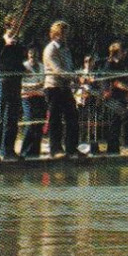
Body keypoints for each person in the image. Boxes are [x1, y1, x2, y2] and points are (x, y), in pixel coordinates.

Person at [0, 21, 27, 161]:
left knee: (12, 117)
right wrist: (6, 45)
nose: (16, 29)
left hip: (15, 81)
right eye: (13, 26)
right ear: (7, 26)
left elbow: (20, 61)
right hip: (2, 80)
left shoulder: (18, 44)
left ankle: (7, 151)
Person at [42, 20, 78, 158]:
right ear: (56, 34)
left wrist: (77, 78)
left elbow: (69, 68)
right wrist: (75, 77)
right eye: (62, 33)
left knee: (72, 116)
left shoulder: (66, 49)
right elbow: (57, 70)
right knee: (55, 119)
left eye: (65, 33)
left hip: (65, 87)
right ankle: (55, 149)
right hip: (53, 87)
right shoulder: (50, 49)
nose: (65, 36)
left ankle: (71, 148)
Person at [101, 41, 128, 155]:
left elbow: (124, 82)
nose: (124, 53)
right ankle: (127, 145)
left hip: (119, 97)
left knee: (115, 122)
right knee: (126, 114)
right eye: (122, 51)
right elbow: (116, 83)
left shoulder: (121, 64)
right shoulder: (110, 64)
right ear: (116, 52)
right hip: (110, 97)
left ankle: (112, 150)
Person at [20, 46, 46, 158]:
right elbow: (21, 84)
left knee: (39, 124)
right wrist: (34, 86)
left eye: (35, 55)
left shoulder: (42, 67)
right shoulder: (24, 66)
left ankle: (35, 152)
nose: (33, 57)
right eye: (31, 54)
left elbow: (45, 82)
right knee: (30, 122)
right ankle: (24, 152)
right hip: (27, 97)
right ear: (28, 55)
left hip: (40, 97)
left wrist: (39, 86)